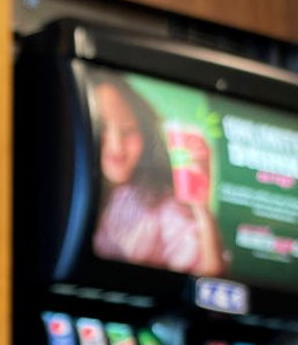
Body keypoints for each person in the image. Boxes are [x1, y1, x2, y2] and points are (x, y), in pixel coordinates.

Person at [90, 72, 224, 276]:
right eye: (102, 130)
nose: (117, 148)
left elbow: (211, 277)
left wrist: (201, 208)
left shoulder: (157, 206)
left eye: (128, 130)